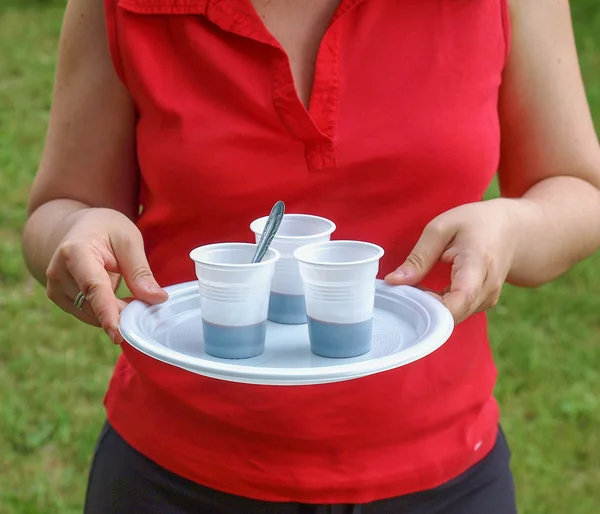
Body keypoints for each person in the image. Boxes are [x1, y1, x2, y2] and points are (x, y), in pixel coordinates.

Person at [22, 0, 600, 512]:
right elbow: (60, 208)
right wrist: (76, 229)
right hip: (175, 476)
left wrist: (513, 227)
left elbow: (578, 189)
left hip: (441, 474)